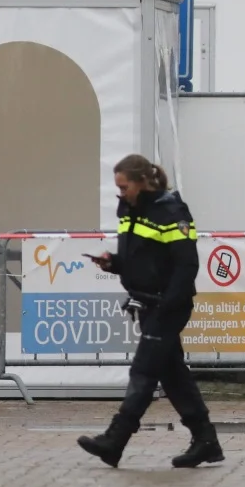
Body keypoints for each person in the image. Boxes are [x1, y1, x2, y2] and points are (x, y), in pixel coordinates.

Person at [77, 154, 223, 469]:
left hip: (167, 305)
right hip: (147, 302)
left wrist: (168, 306)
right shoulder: (132, 209)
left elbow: (187, 265)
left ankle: (115, 440)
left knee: (143, 372)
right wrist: (113, 263)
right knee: (172, 375)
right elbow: (140, 258)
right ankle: (206, 441)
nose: (120, 193)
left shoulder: (172, 211)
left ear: (142, 182)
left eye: (124, 186)